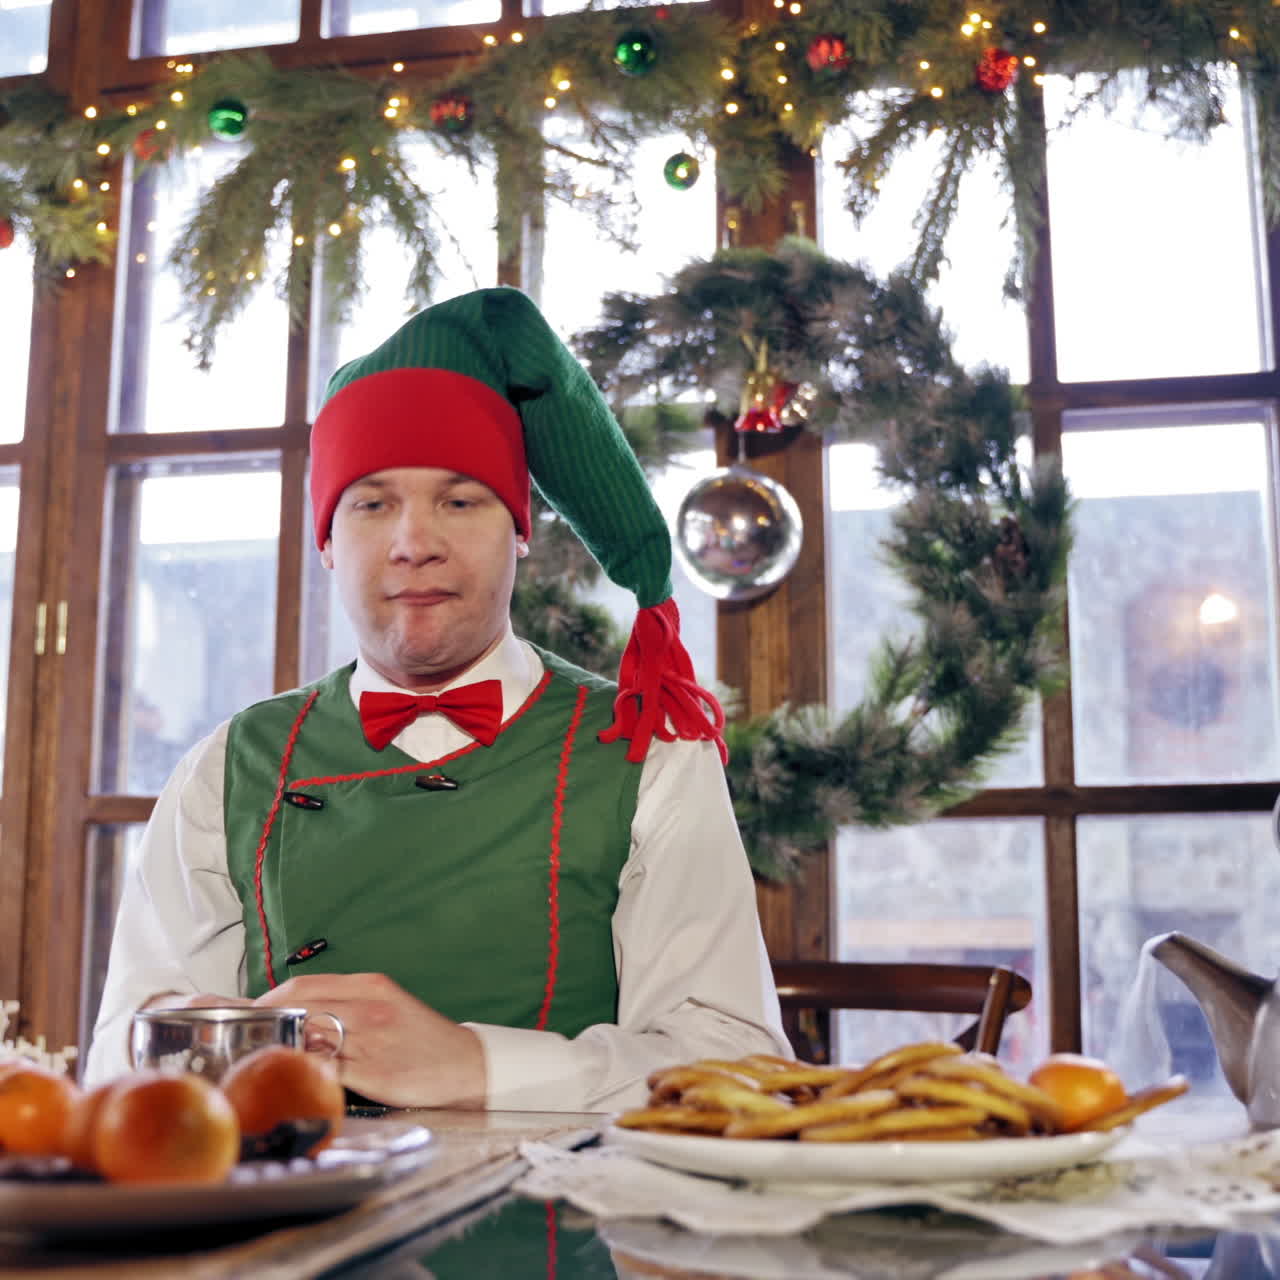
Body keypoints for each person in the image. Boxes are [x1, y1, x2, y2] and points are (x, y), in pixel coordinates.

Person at [86, 286, 788, 1110]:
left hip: (568, 1230)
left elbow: (735, 1065)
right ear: (326, 542)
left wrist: (472, 1065)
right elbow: (123, 1066)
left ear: (521, 533)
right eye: (372, 504)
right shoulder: (227, 770)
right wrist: (187, 1042)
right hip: (294, 1230)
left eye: (460, 501)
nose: (415, 544)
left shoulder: (648, 750)